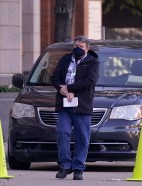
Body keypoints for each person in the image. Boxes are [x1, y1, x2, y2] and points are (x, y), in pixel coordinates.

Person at [51, 36, 99, 180]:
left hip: (82, 105)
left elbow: (90, 81)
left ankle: (78, 168)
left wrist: (70, 88)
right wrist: (62, 89)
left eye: (81, 47)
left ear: (87, 49)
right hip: (64, 103)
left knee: (82, 137)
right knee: (62, 132)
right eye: (76, 45)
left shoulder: (93, 62)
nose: (77, 48)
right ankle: (65, 165)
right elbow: (54, 77)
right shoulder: (65, 59)